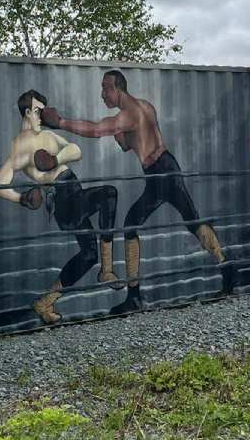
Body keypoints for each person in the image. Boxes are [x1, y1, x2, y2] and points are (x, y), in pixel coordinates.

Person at [40, 70, 225, 312]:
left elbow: (96, 130)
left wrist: (61, 122)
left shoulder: (128, 115)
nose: (102, 94)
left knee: (133, 225)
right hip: (165, 168)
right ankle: (227, 267)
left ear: (119, 89)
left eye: (106, 88)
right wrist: (123, 140)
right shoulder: (145, 107)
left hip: (160, 172)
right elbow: (133, 143)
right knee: (189, 220)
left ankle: (134, 298)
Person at [0, 89, 122, 323]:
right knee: (108, 194)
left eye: (45, 110)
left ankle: (44, 303)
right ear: (27, 112)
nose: (44, 116)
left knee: (89, 254)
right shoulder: (20, 147)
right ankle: (107, 270)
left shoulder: (47, 137)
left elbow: (76, 150)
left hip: (75, 192)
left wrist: (56, 159)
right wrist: (21, 198)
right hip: (64, 199)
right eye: (39, 112)